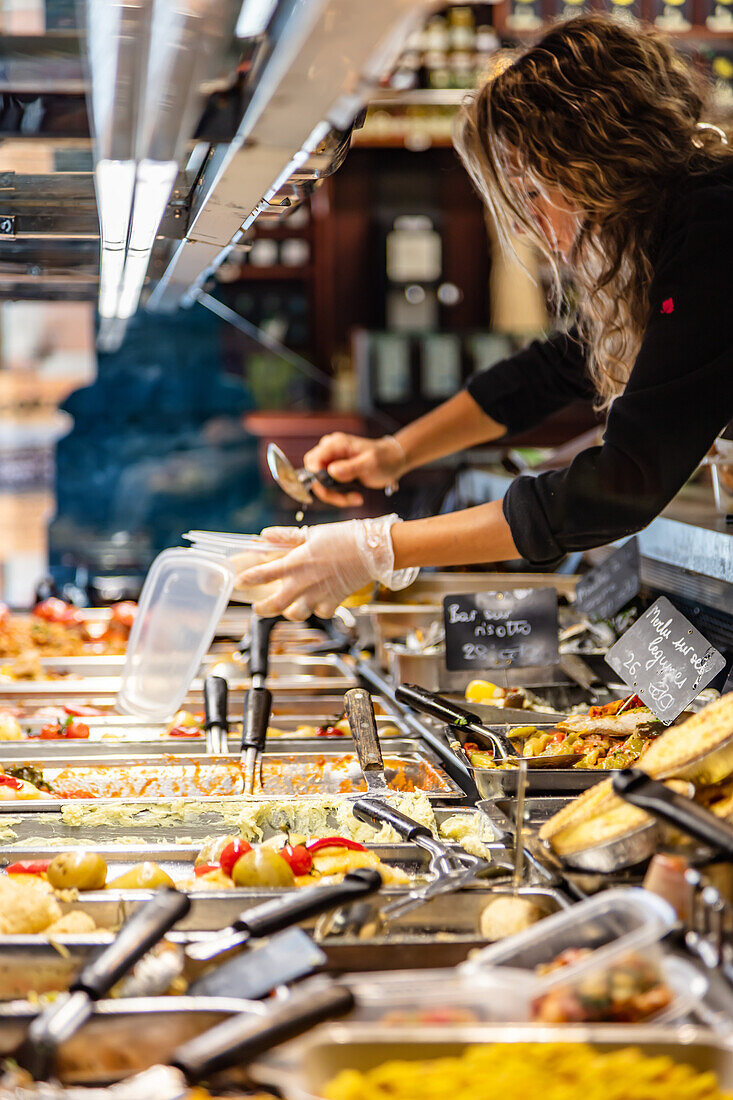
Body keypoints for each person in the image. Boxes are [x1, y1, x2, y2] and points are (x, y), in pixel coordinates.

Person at [237, 13, 733, 622]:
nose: (529, 226)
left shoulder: (714, 226)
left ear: (592, 161)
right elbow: (559, 366)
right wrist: (393, 454)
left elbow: (619, 487)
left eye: (529, 192)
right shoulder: (666, 230)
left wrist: (378, 548)